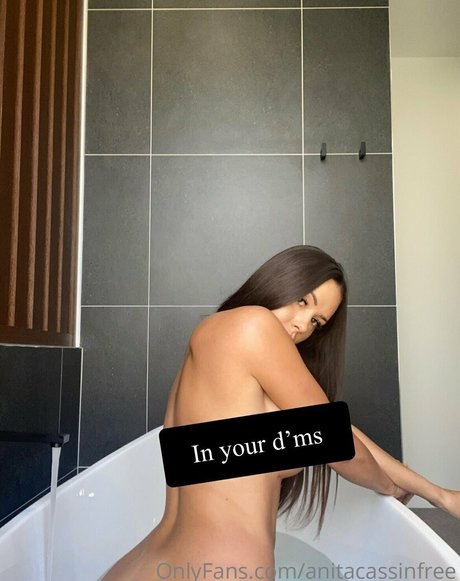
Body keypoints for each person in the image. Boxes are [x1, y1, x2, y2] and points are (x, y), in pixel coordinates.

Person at [102, 245, 459, 581]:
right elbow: (339, 444)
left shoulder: (221, 355)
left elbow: (340, 431)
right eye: (303, 301)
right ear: (279, 280)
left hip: (147, 564)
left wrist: (436, 493)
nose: (303, 325)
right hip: (224, 567)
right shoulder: (253, 325)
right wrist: (388, 487)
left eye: (317, 322)